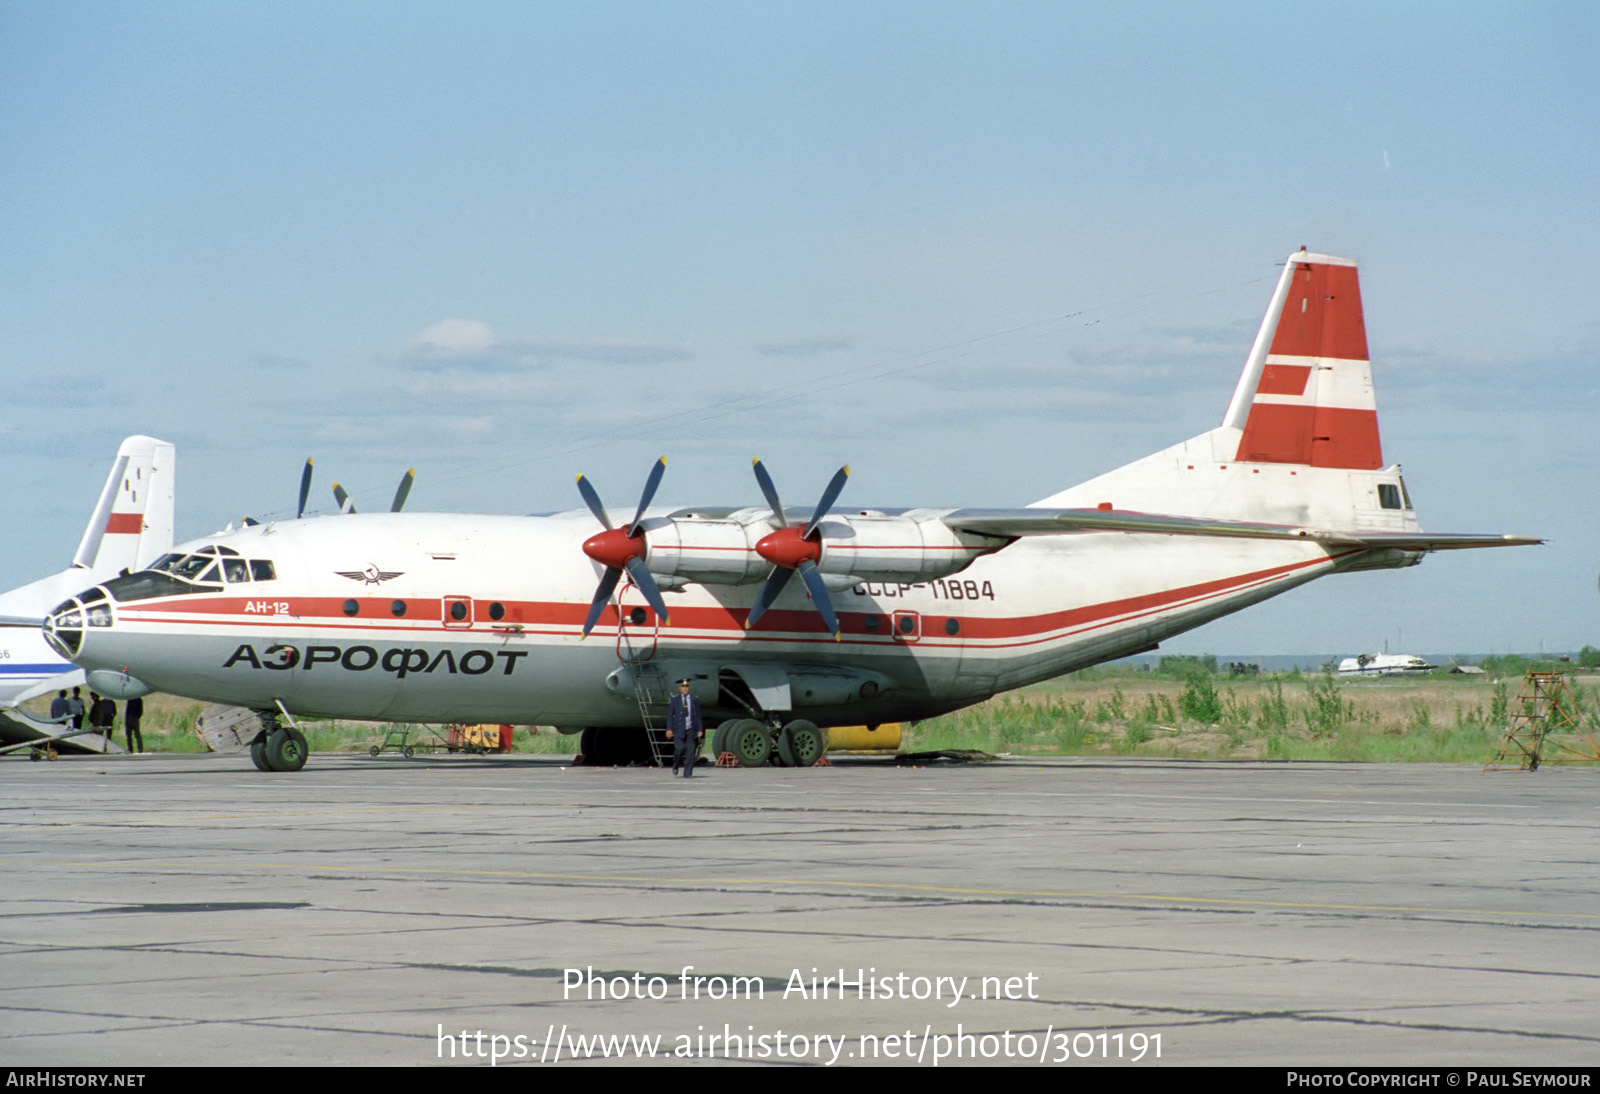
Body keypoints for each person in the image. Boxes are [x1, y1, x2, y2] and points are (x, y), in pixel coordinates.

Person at [665, 678, 704, 777]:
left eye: (687, 686)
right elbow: (670, 716)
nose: (685, 688)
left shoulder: (694, 700)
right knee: (679, 749)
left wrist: (700, 729)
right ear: (679, 688)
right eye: (683, 686)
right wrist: (669, 729)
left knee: (690, 752)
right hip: (679, 729)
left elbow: (698, 715)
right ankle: (676, 764)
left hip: (691, 728)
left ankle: (688, 773)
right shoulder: (674, 700)